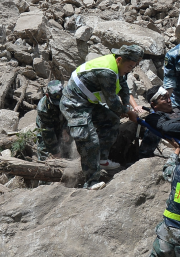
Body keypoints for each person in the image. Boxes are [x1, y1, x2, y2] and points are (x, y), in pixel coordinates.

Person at [60, 44, 144, 190]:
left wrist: (127, 105)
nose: (130, 69)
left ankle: (102, 158)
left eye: (133, 66)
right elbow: (112, 103)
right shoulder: (107, 72)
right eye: (130, 66)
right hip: (74, 103)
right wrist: (128, 112)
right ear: (119, 59)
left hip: (88, 100)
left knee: (111, 120)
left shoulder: (118, 68)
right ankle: (91, 181)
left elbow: (123, 86)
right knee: (89, 139)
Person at [36, 80, 68, 160]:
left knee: (67, 144)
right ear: (47, 95)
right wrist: (54, 152)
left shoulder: (68, 97)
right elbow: (47, 132)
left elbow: (71, 115)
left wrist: (65, 129)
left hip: (62, 121)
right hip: (48, 125)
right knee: (45, 153)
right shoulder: (43, 108)